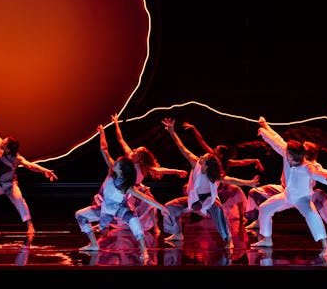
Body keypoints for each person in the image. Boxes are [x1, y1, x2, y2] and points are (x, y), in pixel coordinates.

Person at [251, 116, 327, 256]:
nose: (286, 153)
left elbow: (321, 175)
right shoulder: (287, 153)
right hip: (286, 195)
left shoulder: (308, 167)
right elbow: (276, 140)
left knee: (312, 216)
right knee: (265, 208)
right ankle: (267, 239)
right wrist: (264, 128)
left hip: (302, 198)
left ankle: (325, 247)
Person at [75, 123, 170, 264]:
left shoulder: (127, 185)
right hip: (105, 208)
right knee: (80, 215)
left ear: (122, 170)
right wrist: (102, 133)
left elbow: (144, 197)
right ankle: (94, 244)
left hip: (120, 209)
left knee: (134, 221)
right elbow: (104, 149)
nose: (115, 164)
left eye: (118, 164)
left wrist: (161, 207)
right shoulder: (112, 171)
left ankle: (143, 250)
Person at [160, 118, 259, 251]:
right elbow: (182, 148)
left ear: (207, 165)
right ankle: (177, 233)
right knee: (169, 207)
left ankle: (228, 239)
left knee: (219, 212)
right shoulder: (195, 162)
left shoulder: (213, 175)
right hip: (194, 199)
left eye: (203, 158)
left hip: (209, 200)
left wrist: (249, 183)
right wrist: (172, 132)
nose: (200, 157)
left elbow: (231, 180)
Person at [0, 105, 58, 234]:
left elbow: (30, 165)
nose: (1, 141)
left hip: (9, 185)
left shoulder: (16, 158)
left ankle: (29, 225)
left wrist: (45, 170)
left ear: (9, 148)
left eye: (5, 142)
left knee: (19, 199)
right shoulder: (0, 146)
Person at [98, 113, 187, 234]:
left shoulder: (142, 166)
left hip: (137, 188)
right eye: (135, 150)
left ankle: (156, 227)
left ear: (140, 158)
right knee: (121, 206)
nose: (133, 151)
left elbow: (158, 170)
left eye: (137, 152)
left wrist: (176, 171)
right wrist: (116, 123)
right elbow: (120, 139)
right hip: (127, 187)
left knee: (149, 203)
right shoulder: (129, 157)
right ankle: (109, 223)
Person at [244, 140, 327, 238]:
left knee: (321, 196)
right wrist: (265, 128)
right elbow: (278, 142)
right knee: (255, 192)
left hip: (304, 196)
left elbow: (326, 174)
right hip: (285, 191)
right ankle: (259, 221)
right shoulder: (291, 158)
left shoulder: (312, 166)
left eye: (303, 148)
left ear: (306, 155)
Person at [181, 121, 263, 228]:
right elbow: (201, 141)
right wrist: (194, 128)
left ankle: (243, 216)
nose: (214, 149)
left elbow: (242, 162)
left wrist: (255, 160)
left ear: (221, 154)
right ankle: (192, 209)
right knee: (188, 188)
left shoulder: (226, 162)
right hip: (213, 186)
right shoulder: (211, 158)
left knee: (237, 191)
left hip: (223, 186)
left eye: (217, 149)